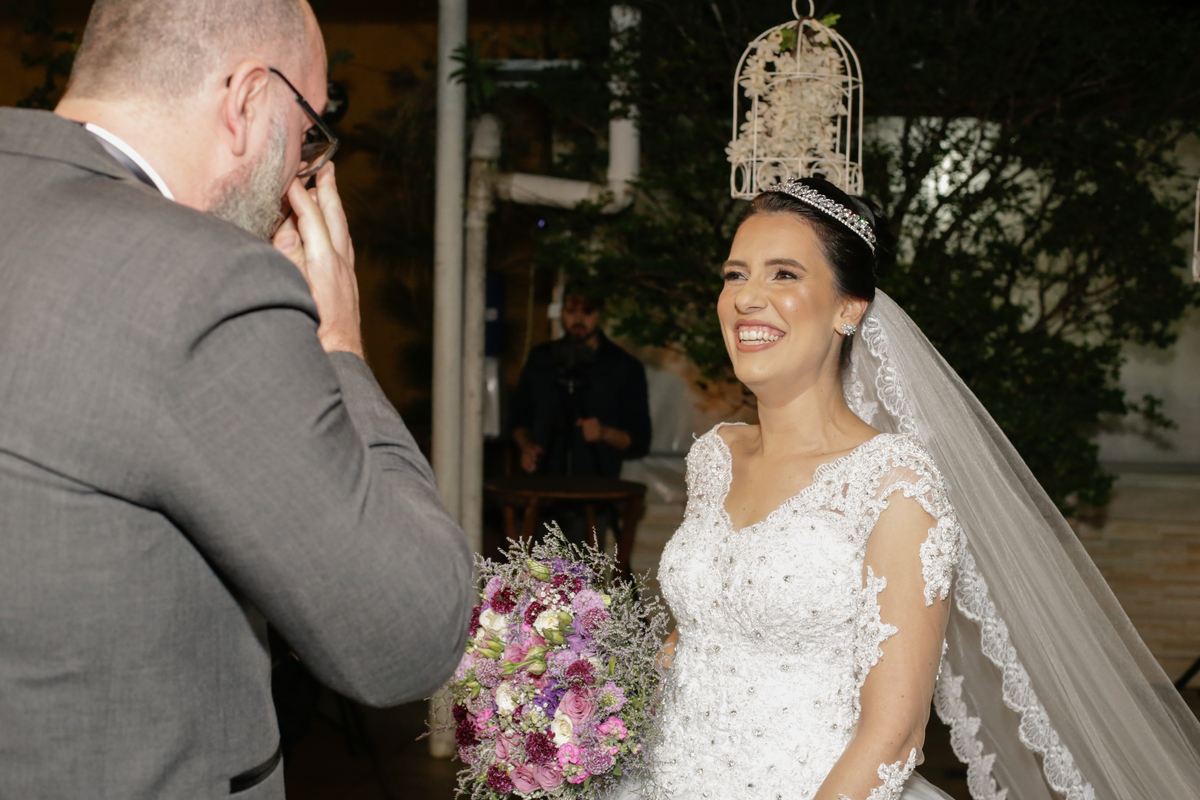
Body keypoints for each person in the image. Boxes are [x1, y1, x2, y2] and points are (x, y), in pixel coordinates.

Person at [0, 1, 473, 798]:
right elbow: (408, 634)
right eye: (308, 130)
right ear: (249, 100)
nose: (304, 167)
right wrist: (341, 347)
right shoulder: (200, 280)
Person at [638, 177, 1200, 799]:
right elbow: (701, 633)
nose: (746, 298)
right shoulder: (715, 454)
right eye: (736, 274)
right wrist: (591, 708)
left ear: (849, 309)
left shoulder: (894, 482)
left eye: (784, 275)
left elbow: (895, 734)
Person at [512, 291, 652, 478]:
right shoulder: (541, 359)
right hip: (543, 483)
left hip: (597, 485)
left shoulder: (623, 367)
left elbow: (639, 440)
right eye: (570, 311)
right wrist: (527, 446)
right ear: (561, 312)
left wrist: (604, 433)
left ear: (600, 314)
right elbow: (518, 418)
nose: (578, 319)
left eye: (587, 311)